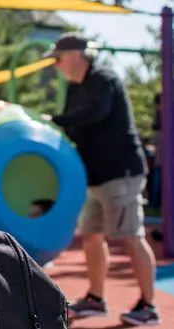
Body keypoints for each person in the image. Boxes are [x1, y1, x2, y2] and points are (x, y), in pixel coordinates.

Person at [44, 32, 160, 326]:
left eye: (57, 59)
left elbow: (95, 113)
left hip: (119, 172)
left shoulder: (104, 79)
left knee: (130, 237)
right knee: (92, 236)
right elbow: (74, 126)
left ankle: (149, 305)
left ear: (74, 56)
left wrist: (56, 121)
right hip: (93, 175)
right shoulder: (74, 87)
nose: (55, 65)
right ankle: (96, 298)